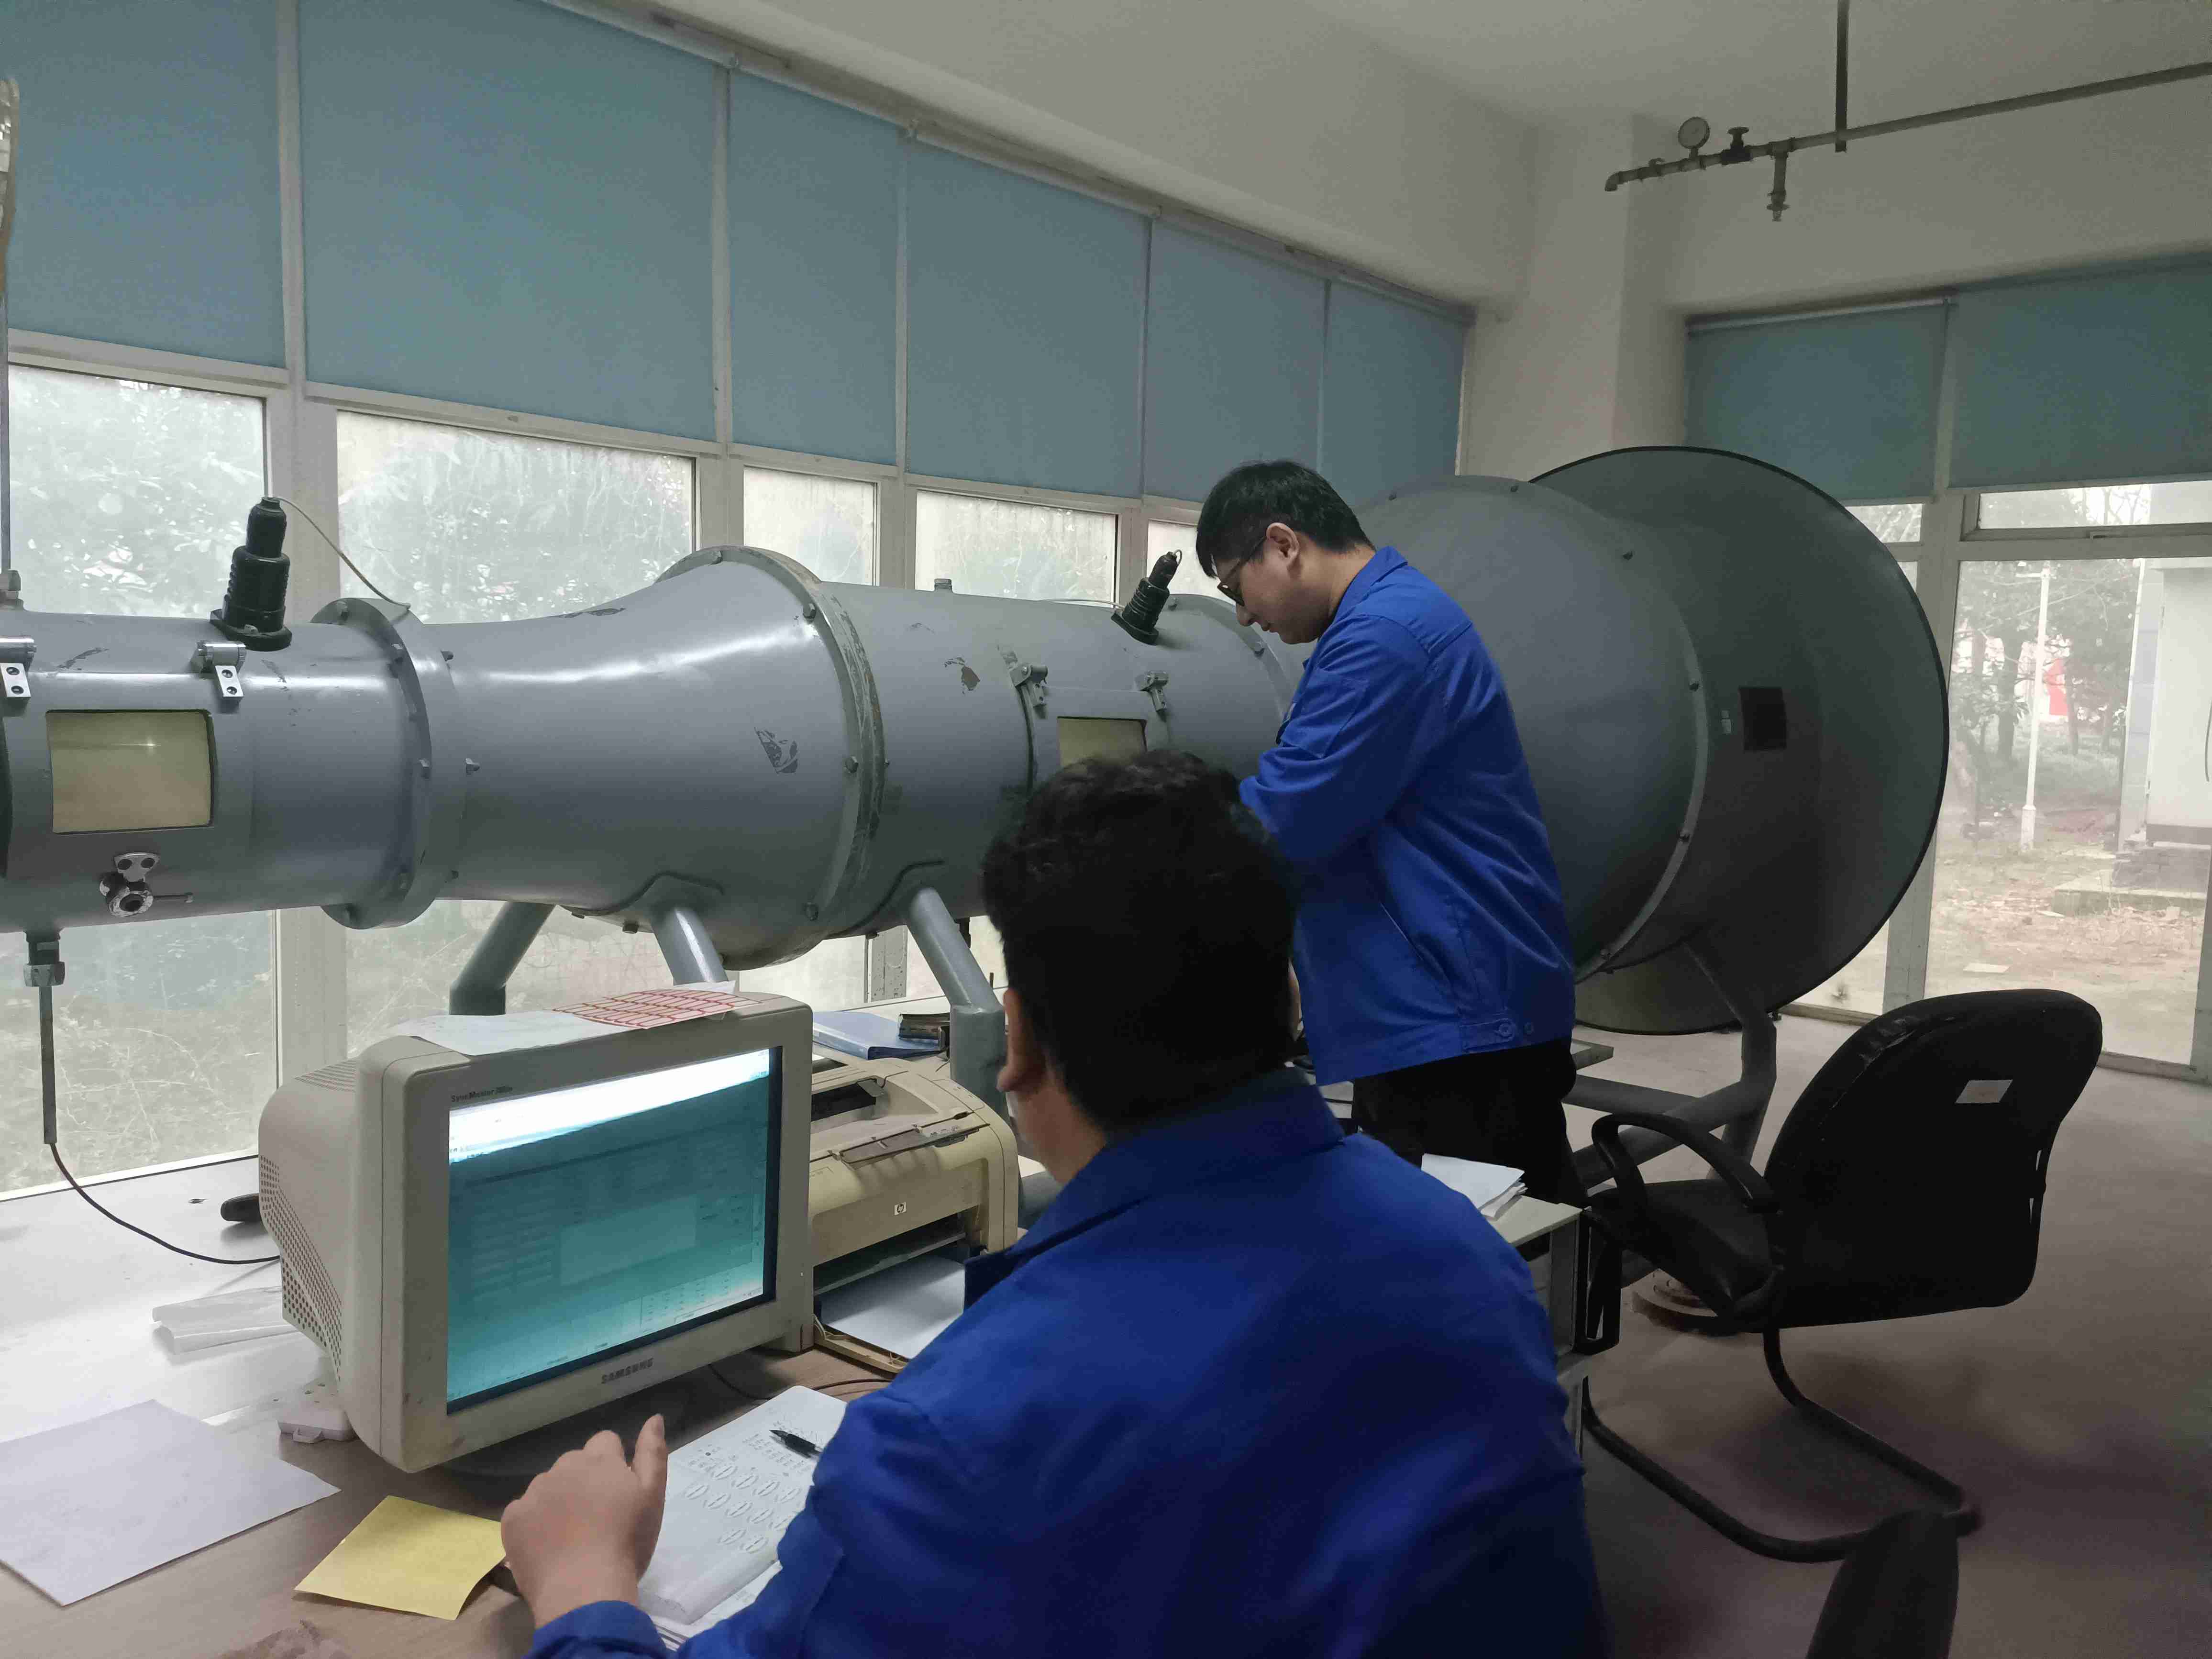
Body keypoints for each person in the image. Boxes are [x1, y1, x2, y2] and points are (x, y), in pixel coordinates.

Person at [503, 752, 1604, 1658]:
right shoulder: (1466, 1255)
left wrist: (584, 1584)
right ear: (1288, 998)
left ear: (1018, 1039)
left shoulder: (960, 1441)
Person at [1194, 461, 1583, 1203]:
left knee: (1472, 1237)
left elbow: (1290, 813)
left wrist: (1148, 844)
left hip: (1451, 1007)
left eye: (1234, 587)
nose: (1242, 615)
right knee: (1475, 1223)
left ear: (1283, 544)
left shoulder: (1386, 636)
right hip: (1436, 997)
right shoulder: (1382, 619)